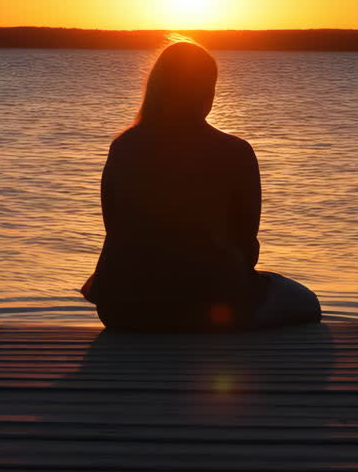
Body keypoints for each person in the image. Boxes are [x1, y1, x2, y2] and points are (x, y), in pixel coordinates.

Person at [81, 41, 321, 332]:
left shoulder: (123, 147)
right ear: (207, 91)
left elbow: (115, 227)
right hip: (208, 307)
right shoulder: (235, 151)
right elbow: (247, 242)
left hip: (123, 308)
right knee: (306, 301)